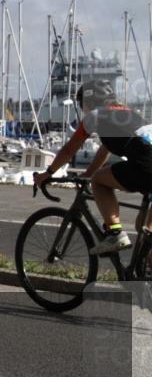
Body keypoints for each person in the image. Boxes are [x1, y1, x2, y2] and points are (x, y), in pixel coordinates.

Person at [35, 79, 152, 255]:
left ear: (89, 102)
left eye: (81, 104)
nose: (82, 110)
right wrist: (89, 173)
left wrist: (48, 172)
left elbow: (69, 150)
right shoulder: (127, 114)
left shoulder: (95, 116)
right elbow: (105, 149)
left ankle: (115, 233)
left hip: (146, 164)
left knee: (99, 180)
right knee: (144, 233)